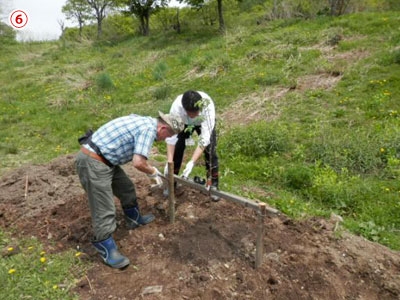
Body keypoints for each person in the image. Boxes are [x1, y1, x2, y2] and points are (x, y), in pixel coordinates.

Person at [75, 112, 184, 269]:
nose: (166, 138)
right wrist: (153, 172)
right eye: (169, 134)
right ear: (163, 128)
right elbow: (139, 162)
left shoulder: (145, 122)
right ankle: (105, 246)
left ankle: (133, 219)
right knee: (104, 207)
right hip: (93, 162)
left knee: (126, 188)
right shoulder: (149, 130)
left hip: (106, 159)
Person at [165, 90, 219, 201]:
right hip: (184, 123)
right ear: (184, 110)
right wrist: (169, 162)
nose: (195, 116)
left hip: (203, 123)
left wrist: (192, 162)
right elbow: (171, 138)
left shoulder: (207, 107)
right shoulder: (176, 109)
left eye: (197, 112)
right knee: (178, 149)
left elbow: (205, 139)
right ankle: (172, 182)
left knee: (210, 151)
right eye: (192, 114)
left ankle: (213, 185)